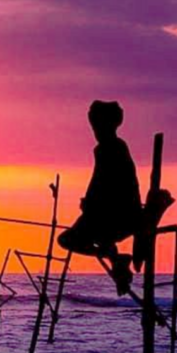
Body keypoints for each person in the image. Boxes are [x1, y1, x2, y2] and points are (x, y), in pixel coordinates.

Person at [58, 100, 142, 295]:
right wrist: (90, 201)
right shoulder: (113, 147)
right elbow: (100, 181)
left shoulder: (110, 148)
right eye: (94, 126)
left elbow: (104, 181)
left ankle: (112, 256)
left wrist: (90, 203)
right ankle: (116, 260)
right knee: (78, 238)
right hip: (110, 213)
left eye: (97, 126)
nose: (95, 131)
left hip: (115, 214)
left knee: (67, 240)